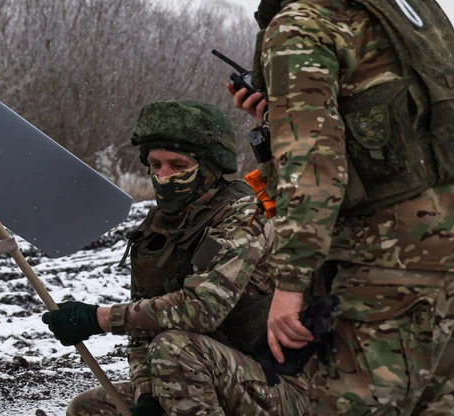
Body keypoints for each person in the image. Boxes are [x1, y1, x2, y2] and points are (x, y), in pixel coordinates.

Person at [208, 0, 454, 414]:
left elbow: (315, 174)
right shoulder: (411, 3)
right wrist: (278, 119)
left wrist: (291, 290)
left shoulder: (299, 23)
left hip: (383, 278)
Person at [41, 100, 308, 415]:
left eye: (178, 166)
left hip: (281, 388)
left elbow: (202, 307)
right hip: (204, 376)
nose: (164, 176)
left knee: (174, 347)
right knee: (89, 408)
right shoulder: (156, 231)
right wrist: (147, 397)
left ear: (211, 168)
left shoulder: (246, 215)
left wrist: (99, 319)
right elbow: (142, 334)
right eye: (156, 165)